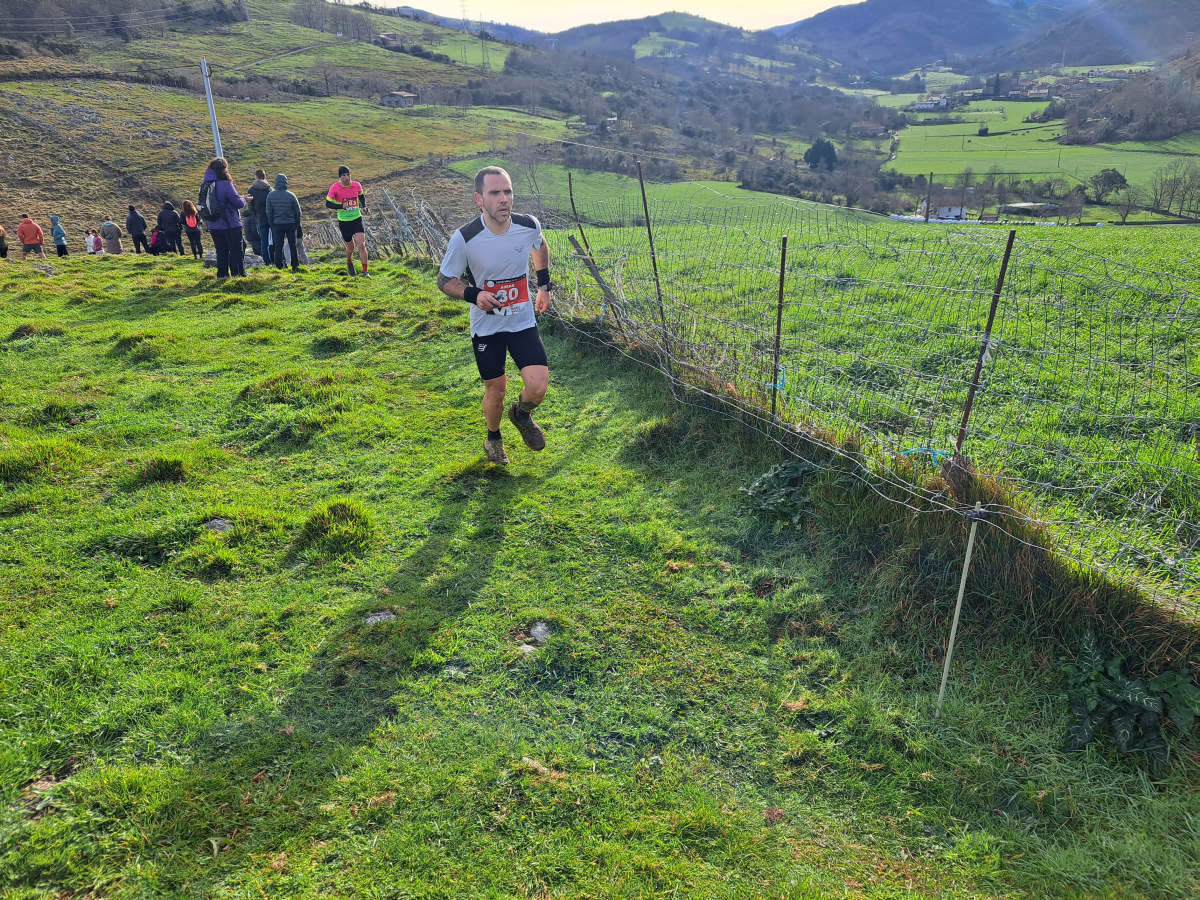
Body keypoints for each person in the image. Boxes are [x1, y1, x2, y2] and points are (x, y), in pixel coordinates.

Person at [437, 166, 553, 465]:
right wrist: (475, 295)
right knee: (496, 389)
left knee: (538, 385)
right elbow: (445, 280)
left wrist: (544, 286)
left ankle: (522, 415)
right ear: (480, 199)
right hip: (487, 327)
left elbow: (540, 247)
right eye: (495, 193)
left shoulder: (528, 225)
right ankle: (494, 438)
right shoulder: (465, 238)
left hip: (521, 320)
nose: (504, 199)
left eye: (508, 192)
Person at [200, 157, 246, 278]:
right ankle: (238, 275)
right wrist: (244, 199)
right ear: (223, 169)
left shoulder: (205, 184)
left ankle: (222, 275)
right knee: (236, 250)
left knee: (221, 251)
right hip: (229, 224)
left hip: (213, 224)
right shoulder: (225, 184)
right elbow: (238, 203)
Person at [326, 164, 369, 277]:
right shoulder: (334, 187)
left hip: (356, 218)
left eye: (348, 174)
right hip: (344, 221)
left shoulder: (356, 185)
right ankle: (349, 261)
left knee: (361, 245)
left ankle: (365, 272)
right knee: (351, 247)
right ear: (340, 177)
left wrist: (364, 207)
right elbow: (328, 203)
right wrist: (341, 206)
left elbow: (361, 195)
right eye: (344, 175)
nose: (346, 177)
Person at [265, 173, 303, 272]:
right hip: (290, 224)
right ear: (285, 182)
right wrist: (297, 224)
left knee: (278, 246)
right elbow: (298, 211)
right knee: (292, 245)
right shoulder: (291, 195)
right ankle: (295, 265)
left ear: (276, 183)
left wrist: (272, 224)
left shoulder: (270, 195)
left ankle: (278, 266)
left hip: (277, 224)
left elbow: (269, 212)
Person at [248, 169, 272, 261]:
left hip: (260, 218)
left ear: (256, 177)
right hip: (271, 218)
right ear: (264, 176)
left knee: (264, 241)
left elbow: (250, 207)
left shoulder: (251, 189)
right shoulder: (270, 189)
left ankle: (266, 261)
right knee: (274, 240)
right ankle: (276, 259)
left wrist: (255, 215)